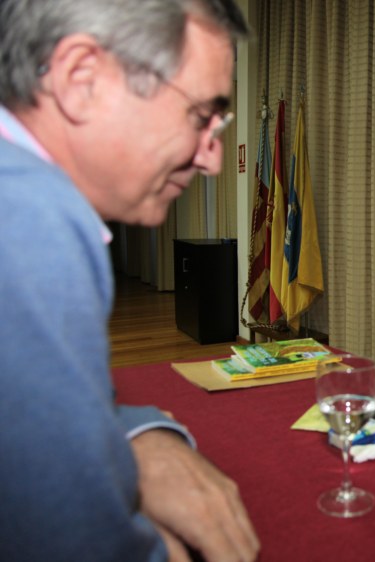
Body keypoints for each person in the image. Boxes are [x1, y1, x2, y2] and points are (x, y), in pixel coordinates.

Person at [0, 1, 261, 560]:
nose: (212, 160)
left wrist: (136, 438)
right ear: (82, 80)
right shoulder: (30, 219)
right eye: (201, 116)